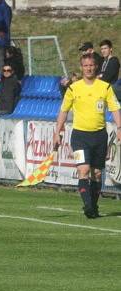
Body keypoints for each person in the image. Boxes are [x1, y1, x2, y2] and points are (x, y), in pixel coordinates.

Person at [54, 54, 121, 219]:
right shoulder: (73, 88)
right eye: (85, 65)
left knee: (97, 173)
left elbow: (114, 109)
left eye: (91, 65)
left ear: (96, 66)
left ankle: (94, 205)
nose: (89, 68)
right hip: (79, 137)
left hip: (99, 136)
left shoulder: (105, 87)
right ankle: (88, 206)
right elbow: (63, 111)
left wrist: (119, 127)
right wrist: (58, 132)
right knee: (83, 170)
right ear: (81, 67)